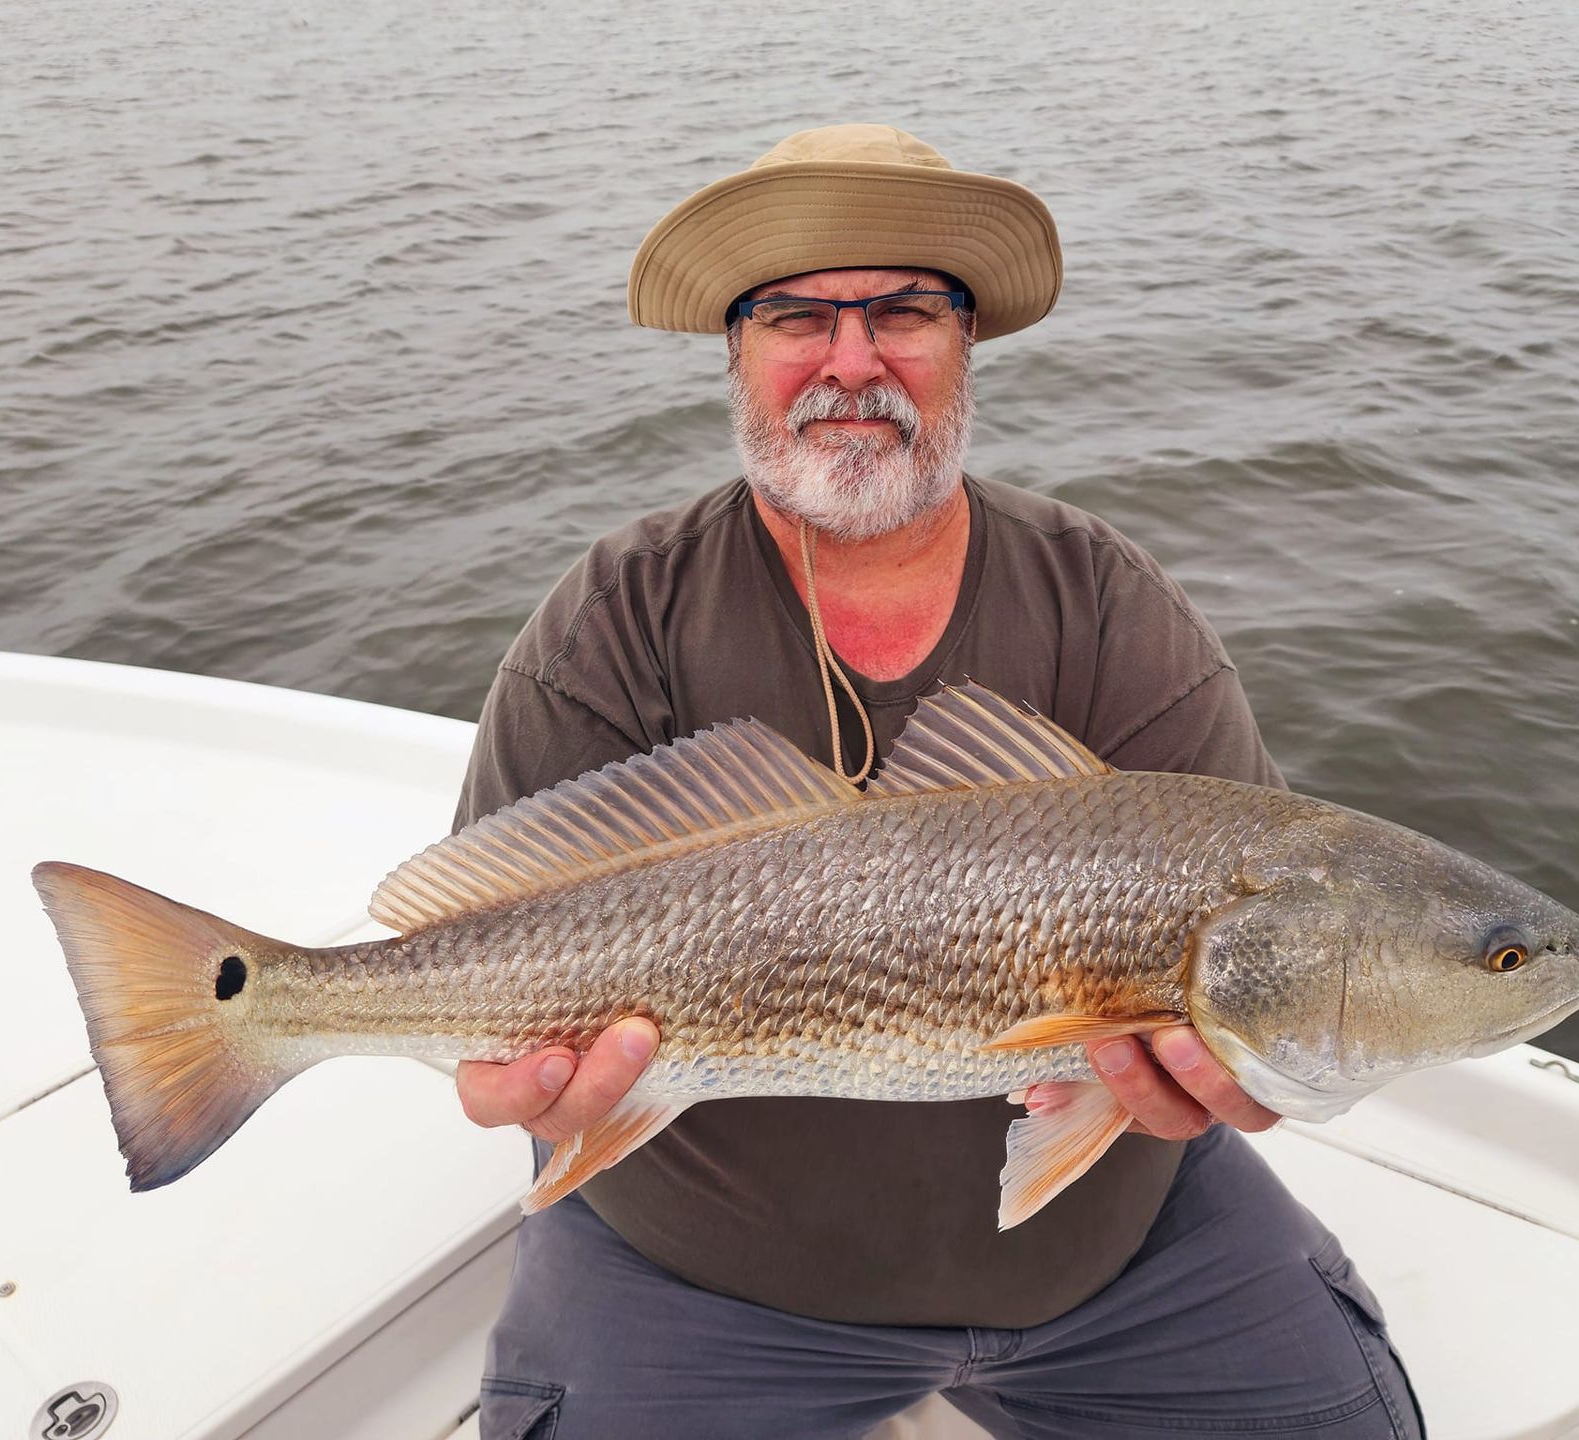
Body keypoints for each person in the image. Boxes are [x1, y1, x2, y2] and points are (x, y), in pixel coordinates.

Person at [453, 125, 1424, 1439]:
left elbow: (1257, 925)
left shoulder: (1106, 602)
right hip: (695, 1267)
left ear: (966, 344)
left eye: (905, 310)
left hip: (1117, 1252)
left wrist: (1250, 1075)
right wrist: (503, 1076)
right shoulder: (616, 618)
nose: (852, 361)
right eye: (796, 314)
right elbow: (473, 948)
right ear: (734, 351)